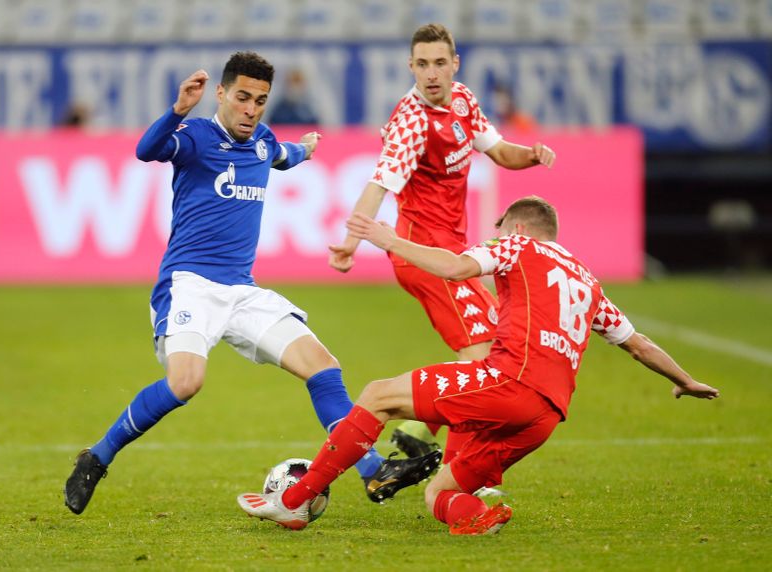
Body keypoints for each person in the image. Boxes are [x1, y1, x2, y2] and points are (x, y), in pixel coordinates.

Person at [63, 51, 440, 515]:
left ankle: (373, 469)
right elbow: (146, 150)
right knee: (185, 383)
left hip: (242, 291)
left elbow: (285, 155)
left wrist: (308, 146)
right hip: (190, 285)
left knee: (322, 366)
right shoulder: (197, 136)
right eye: (242, 97)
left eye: (260, 100)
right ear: (221, 94)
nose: (251, 109)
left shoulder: (262, 141)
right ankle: (97, 457)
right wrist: (179, 108)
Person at [238, 196, 720, 534]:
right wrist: (686, 379)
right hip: (545, 418)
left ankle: (294, 502)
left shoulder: (521, 246)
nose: (495, 239)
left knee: (377, 395)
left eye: (500, 230)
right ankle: (476, 516)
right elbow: (638, 344)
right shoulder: (588, 282)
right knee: (440, 493)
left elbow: (454, 267)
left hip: (507, 382)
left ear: (519, 228)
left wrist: (389, 239)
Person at [328, 23, 556, 474]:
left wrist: (530, 154)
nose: (431, 74)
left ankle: (417, 435)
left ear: (455, 64)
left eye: (439, 63)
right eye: (421, 65)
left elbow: (499, 151)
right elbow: (378, 186)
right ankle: (459, 476)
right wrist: (351, 243)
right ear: (410, 67)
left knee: (491, 350)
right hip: (426, 256)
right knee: (484, 359)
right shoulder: (411, 124)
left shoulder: (464, 100)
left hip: (453, 254)